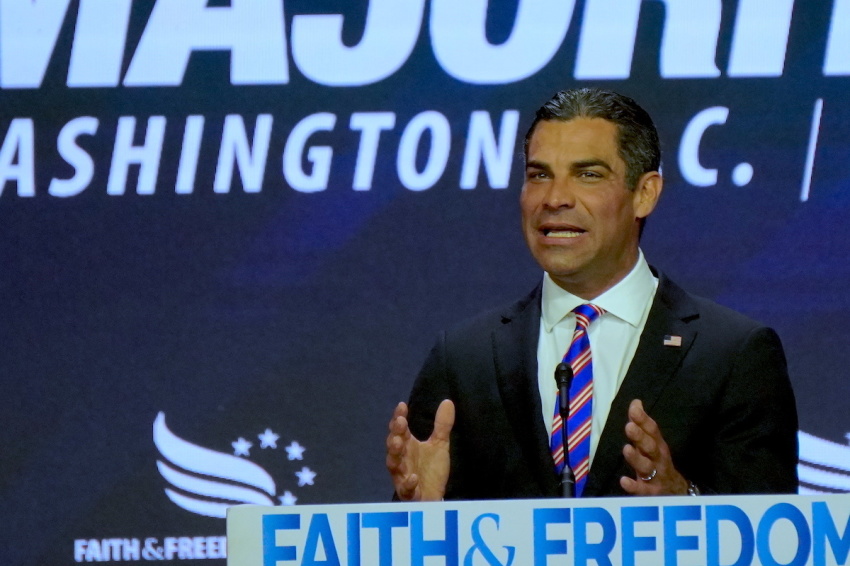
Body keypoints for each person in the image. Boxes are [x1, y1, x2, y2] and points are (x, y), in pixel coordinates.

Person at [385, 88, 798, 500]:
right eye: (539, 175)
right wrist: (421, 512)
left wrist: (685, 501)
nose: (555, 199)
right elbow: (418, 522)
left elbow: (772, 530)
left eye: (588, 175)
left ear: (645, 193)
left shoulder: (732, 355)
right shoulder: (463, 360)